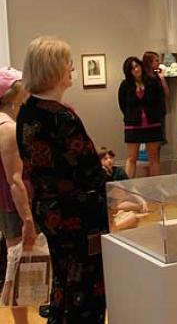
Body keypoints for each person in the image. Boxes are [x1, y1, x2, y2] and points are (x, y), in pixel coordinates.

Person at [16, 36, 108, 323]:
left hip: (49, 209)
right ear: (55, 69)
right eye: (68, 63)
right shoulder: (61, 117)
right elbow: (87, 169)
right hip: (77, 214)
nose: (71, 69)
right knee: (86, 289)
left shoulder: (28, 110)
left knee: (64, 284)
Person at [0, 67, 36, 324]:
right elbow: (15, 180)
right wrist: (28, 219)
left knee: (20, 266)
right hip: (15, 205)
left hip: (9, 204)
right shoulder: (8, 128)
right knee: (20, 266)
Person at [118, 57, 165, 177]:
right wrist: (131, 116)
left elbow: (160, 100)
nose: (136, 69)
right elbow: (123, 104)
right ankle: (128, 188)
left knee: (153, 157)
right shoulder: (125, 85)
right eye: (132, 68)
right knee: (132, 157)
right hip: (133, 125)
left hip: (152, 123)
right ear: (128, 71)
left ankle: (156, 186)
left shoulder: (152, 82)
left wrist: (156, 115)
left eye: (137, 66)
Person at [142, 51, 170, 146]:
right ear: (149, 63)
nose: (159, 63)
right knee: (151, 143)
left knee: (159, 142)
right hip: (149, 114)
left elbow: (166, 94)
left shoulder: (157, 77)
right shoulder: (144, 79)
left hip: (160, 112)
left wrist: (162, 78)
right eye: (156, 61)